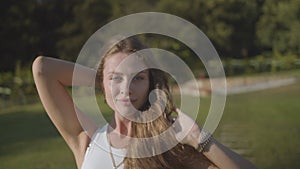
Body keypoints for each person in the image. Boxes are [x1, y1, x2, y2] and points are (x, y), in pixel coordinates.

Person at [32, 36, 257, 169]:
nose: (126, 89)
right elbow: (43, 69)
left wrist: (200, 139)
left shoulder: (165, 140)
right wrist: (105, 80)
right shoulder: (86, 139)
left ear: (150, 83)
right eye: (116, 78)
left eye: (138, 78)